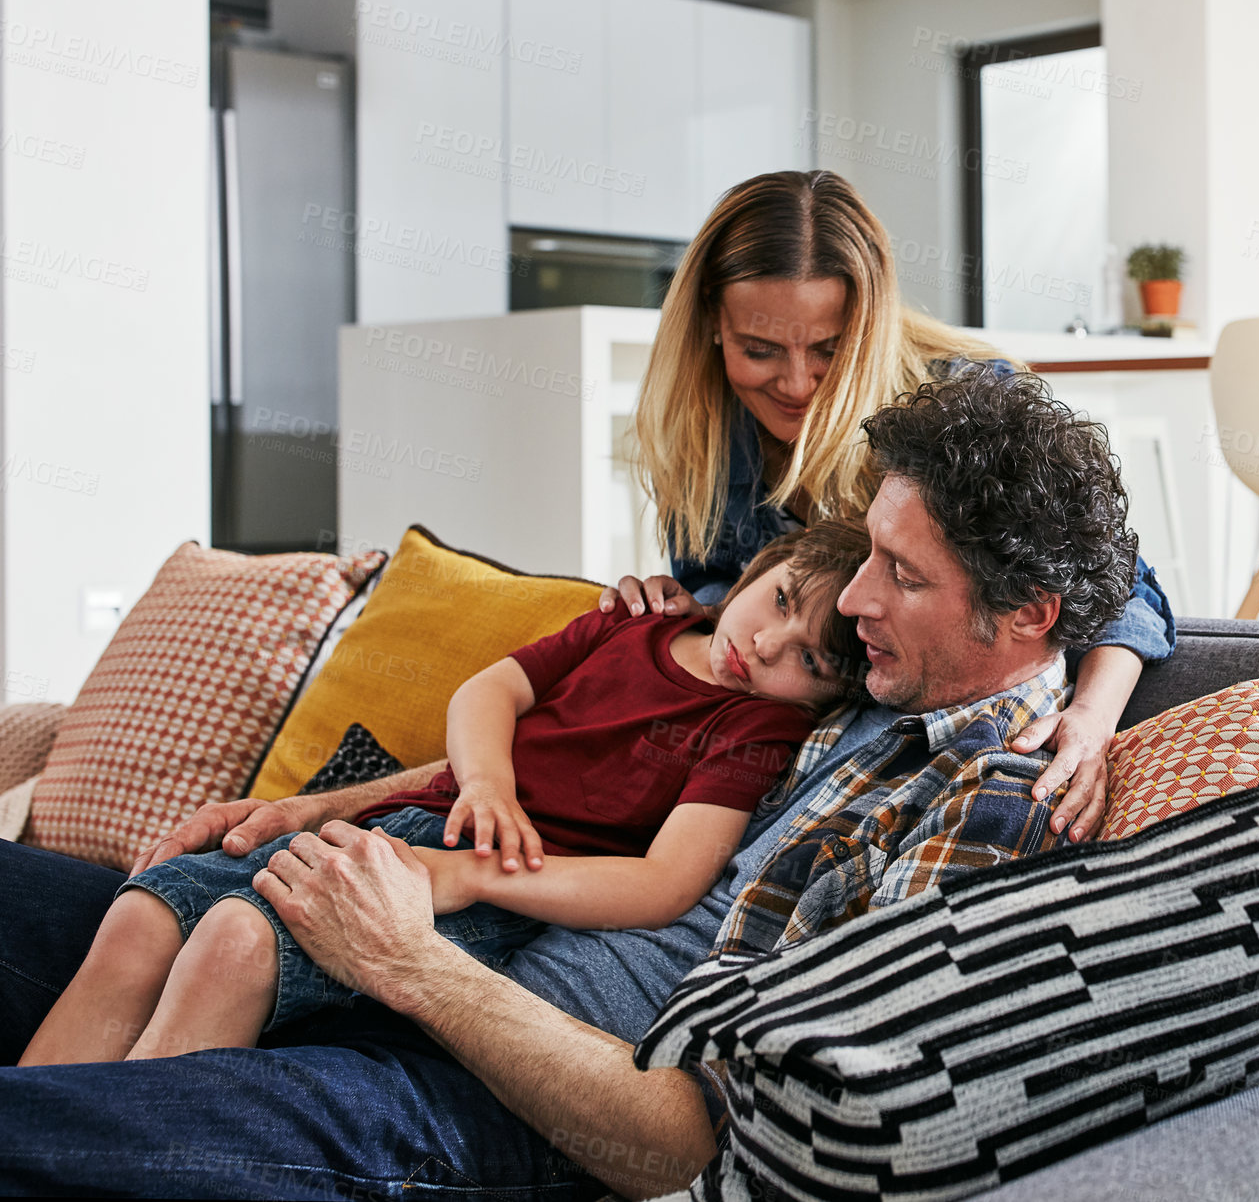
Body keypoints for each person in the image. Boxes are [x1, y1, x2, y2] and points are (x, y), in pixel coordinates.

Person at [0, 367, 1140, 1199]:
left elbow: (733, 1137)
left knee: (52, 1126)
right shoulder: (874, 680)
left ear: (1025, 617)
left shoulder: (992, 803)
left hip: (505, 1081)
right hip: (429, 934)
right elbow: (571, 762)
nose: (847, 606)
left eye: (898, 574)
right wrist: (321, 807)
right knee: (70, 905)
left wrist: (410, 960)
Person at [18, 522, 870, 1066]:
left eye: (808, 659)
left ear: (824, 698)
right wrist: (488, 781)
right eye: (780, 600)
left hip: (489, 878)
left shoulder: (755, 729)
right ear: (758, 567)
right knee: (139, 918)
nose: (764, 642)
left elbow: (662, 883)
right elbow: (485, 694)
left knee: (234, 944)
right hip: (401, 823)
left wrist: (469, 874)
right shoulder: (630, 622)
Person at [607, 170, 1174, 846]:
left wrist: (1092, 714)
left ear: (869, 326)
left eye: (828, 350)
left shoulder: (958, 402)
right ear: (709, 324)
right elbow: (727, 585)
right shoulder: (704, 433)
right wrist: (688, 609)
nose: (794, 384)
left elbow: (1118, 588)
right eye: (759, 351)